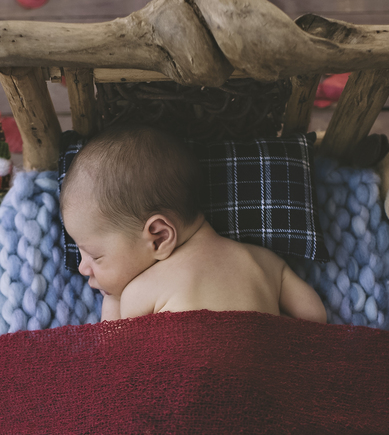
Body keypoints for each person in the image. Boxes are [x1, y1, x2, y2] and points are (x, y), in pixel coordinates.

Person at [59, 123, 328, 323]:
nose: (83, 268)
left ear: (159, 236)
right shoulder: (264, 262)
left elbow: (115, 355)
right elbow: (314, 318)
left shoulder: (139, 292)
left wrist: (112, 298)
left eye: (94, 255)